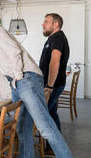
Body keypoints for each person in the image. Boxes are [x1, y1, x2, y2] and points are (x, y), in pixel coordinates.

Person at [0, 22, 73, 158]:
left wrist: (18, 77)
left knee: (45, 127)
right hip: (19, 82)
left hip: (26, 78)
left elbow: (14, 50)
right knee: (23, 127)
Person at [39, 13, 70, 154]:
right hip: (53, 84)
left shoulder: (57, 38)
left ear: (55, 24)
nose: (43, 24)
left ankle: (55, 147)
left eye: (46, 22)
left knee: (44, 116)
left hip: (53, 85)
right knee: (52, 113)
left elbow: (55, 61)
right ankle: (53, 147)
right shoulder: (53, 38)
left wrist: (49, 86)